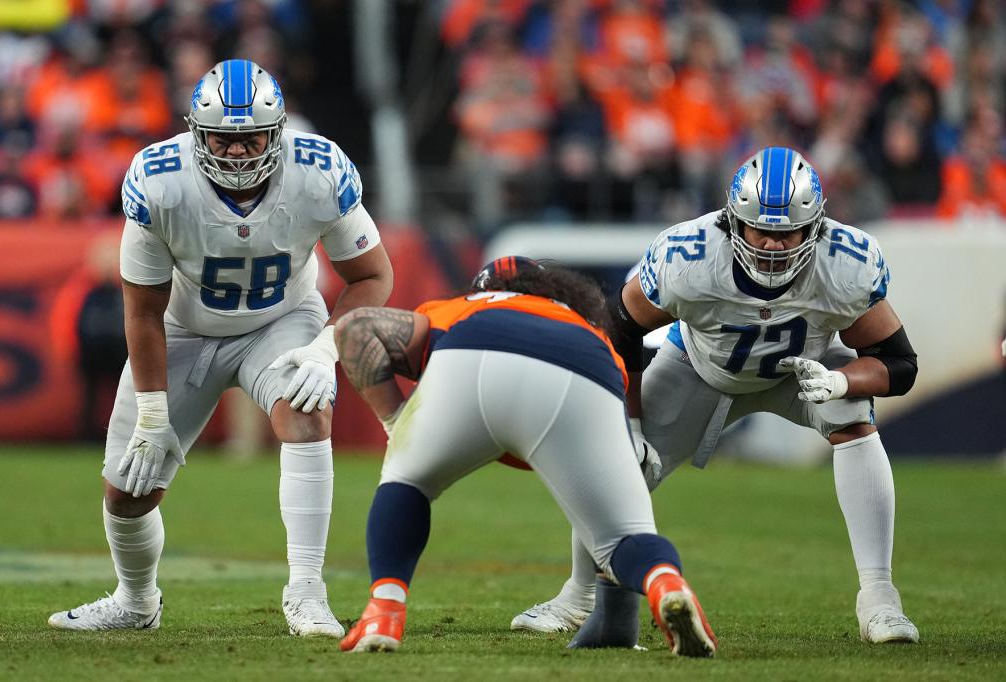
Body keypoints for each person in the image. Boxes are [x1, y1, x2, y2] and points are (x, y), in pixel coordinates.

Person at [512, 147, 921, 646]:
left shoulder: (845, 264)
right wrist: (633, 425)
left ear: (815, 227)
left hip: (799, 374)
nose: (772, 244)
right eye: (760, 229)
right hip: (698, 369)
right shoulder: (690, 257)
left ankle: (879, 598)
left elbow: (899, 363)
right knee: (618, 461)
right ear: (732, 222)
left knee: (853, 413)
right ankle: (578, 596)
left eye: (787, 231)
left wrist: (842, 381)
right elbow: (619, 330)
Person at [48, 60, 394, 637]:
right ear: (197, 133)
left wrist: (326, 347)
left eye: (251, 137)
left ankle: (307, 591)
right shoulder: (160, 180)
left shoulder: (318, 169)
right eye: (223, 139)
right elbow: (142, 309)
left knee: (307, 412)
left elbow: (372, 275)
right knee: (128, 492)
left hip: (280, 320)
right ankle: (136, 602)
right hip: (182, 328)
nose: (237, 151)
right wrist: (154, 413)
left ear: (277, 131)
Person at [332, 257, 717, 656]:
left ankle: (385, 611)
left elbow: (355, 329)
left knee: (407, 483)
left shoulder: (461, 308)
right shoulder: (591, 330)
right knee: (623, 538)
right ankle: (665, 582)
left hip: (470, 350)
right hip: (584, 368)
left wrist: (395, 422)